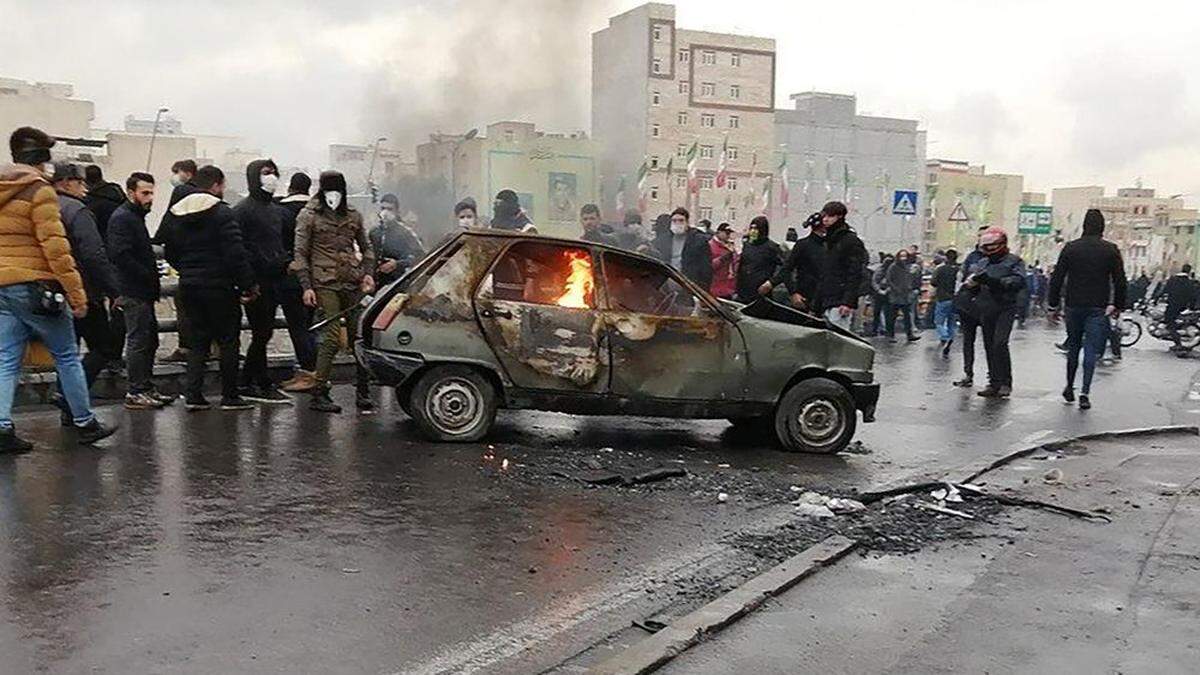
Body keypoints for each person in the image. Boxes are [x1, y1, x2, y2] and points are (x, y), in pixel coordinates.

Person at [0, 127, 117, 450]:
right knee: (66, 354)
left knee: (6, 359)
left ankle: (2, 428)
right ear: (41, 162)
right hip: (36, 285)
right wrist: (77, 296)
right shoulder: (39, 191)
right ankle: (85, 422)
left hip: (3, 286)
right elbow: (56, 248)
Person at [159, 165, 258, 411]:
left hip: (189, 285)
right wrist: (247, 284)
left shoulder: (176, 212)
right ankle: (230, 395)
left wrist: (186, 268)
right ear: (216, 185)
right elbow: (236, 253)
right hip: (220, 286)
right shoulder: (223, 214)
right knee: (228, 340)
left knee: (197, 342)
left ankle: (193, 395)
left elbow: (168, 249)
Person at [293, 170, 377, 414]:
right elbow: (300, 253)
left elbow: (366, 247)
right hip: (324, 282)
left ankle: (363, 390)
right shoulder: (309, 215)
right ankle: (319, 392)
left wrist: (368, 272)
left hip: (351, 280)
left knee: (358, 337)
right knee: (330, 338)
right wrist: (306, 286)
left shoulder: (353, 215)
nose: (333, 194)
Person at [51, 163, 122, 420]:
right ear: (67, 182)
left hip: (52, 291)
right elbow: (93, 254)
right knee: (103, 347)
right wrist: (113, 289)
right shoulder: (77, 211)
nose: (84, 188)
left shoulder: (44, 207)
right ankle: (68, 396)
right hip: (83, 290)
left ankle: (70, 410)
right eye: (80, 183)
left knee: (66, 351)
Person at [1046, 210, 1127, 409]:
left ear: (1084, 225)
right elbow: (1120, 281)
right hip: (1097, 307)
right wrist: (1118, 305)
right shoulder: (1110, 250)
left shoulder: (1071, 248)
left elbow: (1057, 278)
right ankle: (1085, 392)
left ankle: (1068, 386)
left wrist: (1053, 305)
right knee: (1091, 349)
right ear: (1102, 227)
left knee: (1073, 346)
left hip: (1073, 305)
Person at [232, 159, 295, 403]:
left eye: (273, 173)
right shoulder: (243, 210)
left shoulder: (276, 210)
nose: (271, 177)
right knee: (261, 332)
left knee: (265, 333)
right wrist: (248, 282)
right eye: (266, 173)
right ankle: (248, 380)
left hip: (276, 279)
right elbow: (239, 249)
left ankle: (260, 378)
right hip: (257, 282)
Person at [107, 171, 172, 409]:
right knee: (139, 340)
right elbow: (119, 254)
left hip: (141, 290)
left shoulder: (134, 217)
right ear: (131, 192)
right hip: (133, 289)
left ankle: (145, 386)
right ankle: (136, 390)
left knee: (149, 339)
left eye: (152, 193)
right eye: (145, 193)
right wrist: (144, 274)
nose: (150, 198)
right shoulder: (123, 218)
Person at [959, 227, 1026, 398]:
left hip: (1005, 306)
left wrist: (995, 281)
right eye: (986, 247)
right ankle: (994, 382)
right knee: (989, 345)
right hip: (986, 307)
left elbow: (1018, 282)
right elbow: (971, 282)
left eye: (991, 246)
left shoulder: (1014, 261)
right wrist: (970, 287)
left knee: (1000, 343)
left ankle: (1006, 382)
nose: (989, 250)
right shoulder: (982, 263)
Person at [275, 172, 318, 392]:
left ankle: (310, 373)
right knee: (311, 325)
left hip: (290, 278)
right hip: (317, 276)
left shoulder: (280, 212)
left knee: (298, 326)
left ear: (290, 188)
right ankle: (311, 370)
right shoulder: (316, 211)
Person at [158, 159, 201, 364]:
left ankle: (186, 348)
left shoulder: (182, 192)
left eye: (176, 172)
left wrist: (157, 240)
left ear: (187, 173)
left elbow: (170, 220)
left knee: (184, 306)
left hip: (188, 263)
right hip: (206, 264)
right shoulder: (205, 194)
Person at [815, 201, 867, 330]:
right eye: (824, 216)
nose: (825, 219)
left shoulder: (850, 241)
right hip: (827, 299)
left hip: (840, 301)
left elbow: (855, 273)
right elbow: (825, 273)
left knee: (838, 339)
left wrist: (848, 302)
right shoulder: (829, 240)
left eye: (830, 216)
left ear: (839, 217)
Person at [952, 227, 991, 388]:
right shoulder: (971, 257)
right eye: (980, 236)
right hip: (969, 305)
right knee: (968, 341)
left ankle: (993, 378)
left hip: (988, 305)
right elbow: (962, 277)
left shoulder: (996, 258)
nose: (982, 239)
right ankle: (968, 374)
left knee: (991, 342)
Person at [763, 212, 826, 311]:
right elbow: (787, 269)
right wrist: (793, 292)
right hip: (805, 297)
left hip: (821, 298)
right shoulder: (804, 245)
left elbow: (786, 269)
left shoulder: (830, 246)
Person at [370, 193, 425, 286]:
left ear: (397, 211)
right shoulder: (374, 233)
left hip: (398, 283)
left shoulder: (406, 233)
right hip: (376, 283)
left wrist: (397, 264)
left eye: (390, 209)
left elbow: (420, 256)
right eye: (383, 208)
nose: (385, 213)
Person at [653, 207, 712, 290]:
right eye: (674, 221)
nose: (677, 223)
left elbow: (706, 268)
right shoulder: (663, 240)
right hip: (666, 286)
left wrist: (703, 289)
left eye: (681, 220)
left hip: (689, 286)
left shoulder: (698, 241)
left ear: (687, 222)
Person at [735, 216, 782, 303]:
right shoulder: (747, 245)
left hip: (761, 292)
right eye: (751, 228)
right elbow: (742, 266)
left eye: (756, 228)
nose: (753, 231)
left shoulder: (772, 247)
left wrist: (771, 282)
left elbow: (784, 268)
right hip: (743, 292)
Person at [881, 249, 921, 343]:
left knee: (907, 316)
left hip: (905, 295)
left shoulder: (908, 267)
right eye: (902, 256)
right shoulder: (893, 266)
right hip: (895, 296)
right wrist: (896, 289)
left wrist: (910, 287)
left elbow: (910, 278)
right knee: (892, 317)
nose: (903, 258)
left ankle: (909, 334)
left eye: (905, 256)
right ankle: (890, 335)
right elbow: (889, 279)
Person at [1161, 264, 1199, 355]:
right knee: (1174, 322)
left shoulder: (1173, 279)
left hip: (1172, 305)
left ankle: (1178, 343)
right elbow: (1193, 296)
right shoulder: (1190, 282)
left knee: (1169, 323)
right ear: (1189, 271)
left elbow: (1164, 290)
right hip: (1183, 306)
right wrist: (1192, 307)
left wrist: (1158, 298)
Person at [82, 165, 124, 241]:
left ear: (86, 182)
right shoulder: (117, 192)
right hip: (120, 238)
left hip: (102, 240)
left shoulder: (91, 201)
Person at [930, 248, 959, 356]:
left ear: (946, 257)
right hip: (955, 299)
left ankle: (944, 337)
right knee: (952, 322)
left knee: (938, 321)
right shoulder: (958, 269)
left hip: (942, 298)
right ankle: (950, 338)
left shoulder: (940, 269)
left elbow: (933, 282)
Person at [708, 222, 738, 300]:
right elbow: (708, 266)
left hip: (729, 288)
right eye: (726, 233)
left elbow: (735, 265)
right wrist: (723, 258)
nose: (728, 236)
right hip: (715, 288)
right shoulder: (710, 245)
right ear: (718, 232)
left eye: (729, 233)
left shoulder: (729, 246)